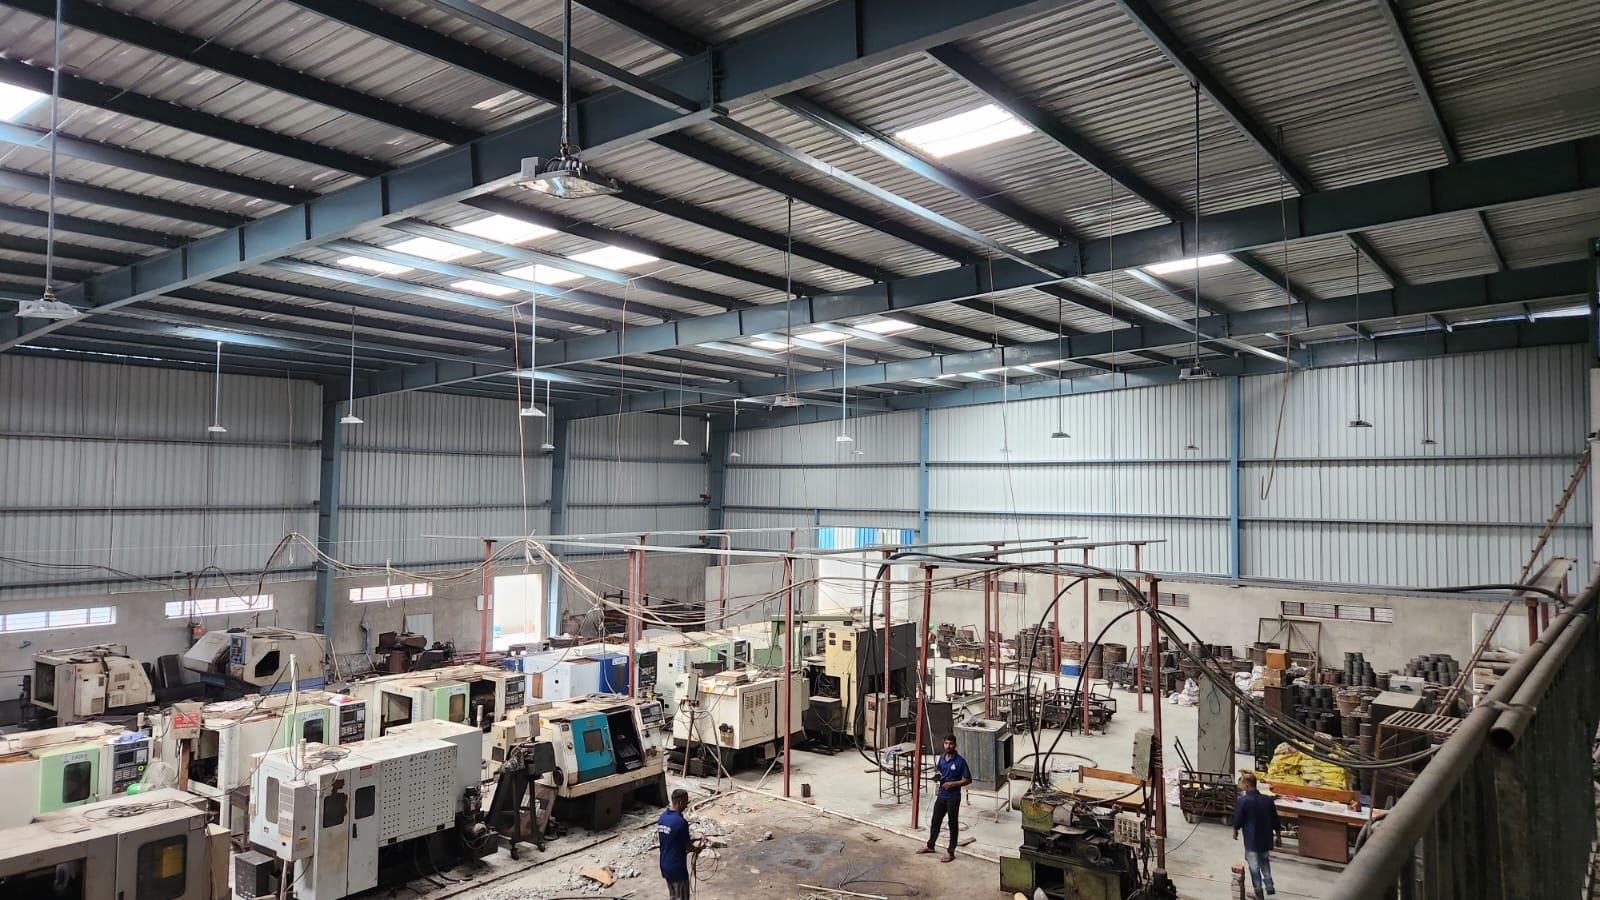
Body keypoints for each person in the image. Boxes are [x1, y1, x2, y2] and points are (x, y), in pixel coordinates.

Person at [916, 735, 971, 862]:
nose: (948, 746)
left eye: (951, 744)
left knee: (952, 824)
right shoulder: (941, 758)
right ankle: (930, 846)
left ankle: (950, 852)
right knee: (935, 821)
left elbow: (968, 779)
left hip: (953, 798)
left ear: (955, 745)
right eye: (946, 743)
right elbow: (939, 771)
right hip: (941, 796)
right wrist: (937, 775)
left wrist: (953, 784)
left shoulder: (960, 762)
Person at [1231, 773, 1281, 899]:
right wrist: (1278, 836)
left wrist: (1235, 830)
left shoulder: (1243, 800)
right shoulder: (1267, 800)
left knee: (1254, 867)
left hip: (1252, 839)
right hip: (1266, 838)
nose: (1239, 785)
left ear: (1247, 785)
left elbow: (1239, 818)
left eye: (1241, 782)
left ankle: (1258, 893)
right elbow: (1275, 820)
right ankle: (1269, 886)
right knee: (1264, 862)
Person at [657, 788, 702, 900]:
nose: (687, 805)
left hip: (665, 865)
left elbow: (672, 839)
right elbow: (687, 846)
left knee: (673, 896)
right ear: (680, 802)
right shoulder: (681, 822)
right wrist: (697, 849)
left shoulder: (662, 818)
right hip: (677, 868)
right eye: (686, 802)